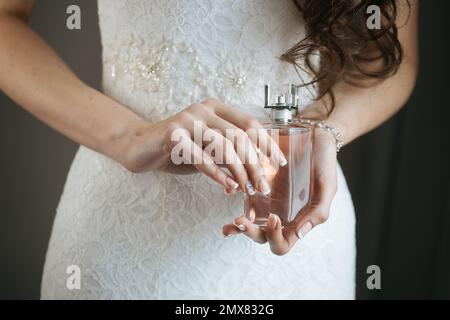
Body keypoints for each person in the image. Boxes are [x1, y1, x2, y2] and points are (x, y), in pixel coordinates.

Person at [0, 0, 418, 299]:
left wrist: (324, 131)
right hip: (125, 228)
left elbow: (399, 63)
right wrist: (127, 136)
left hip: (299, 224)